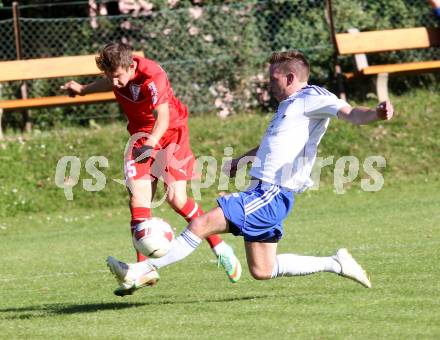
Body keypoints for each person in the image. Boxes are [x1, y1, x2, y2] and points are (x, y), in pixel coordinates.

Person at [107, 50, 394, 293]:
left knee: (201, 225)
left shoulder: (313, 97)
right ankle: (335, 262)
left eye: (273, 79)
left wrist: (375, 113)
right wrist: (239, 162)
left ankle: (141, 270)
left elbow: (351, 114)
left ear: (291, 78)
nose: (269, 84)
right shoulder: (288, 106)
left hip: (273, 192)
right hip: (265, 192)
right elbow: (271, 144)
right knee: (263, 269)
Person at [62, 42, 241, 296]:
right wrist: (82, 89)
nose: (114, 83)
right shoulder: (117, 74)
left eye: (118, 76)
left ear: (131, 65)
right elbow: (109, 81)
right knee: (138, 199)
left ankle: (220, 247)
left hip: (170, 134)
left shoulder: (152, 75)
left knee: (177, 199)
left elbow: (163, 117)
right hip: (140, 137)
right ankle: (142, 271)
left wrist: (152, 144)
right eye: (109, 76)